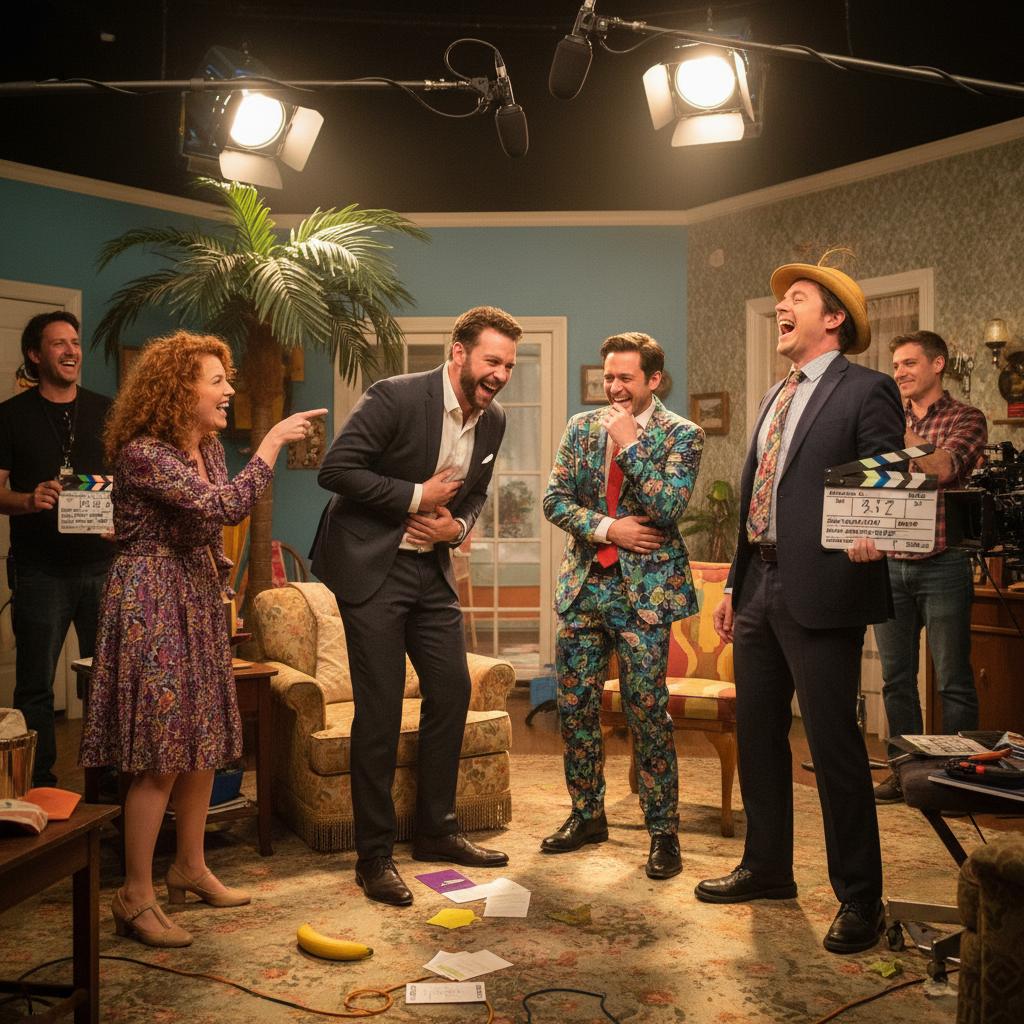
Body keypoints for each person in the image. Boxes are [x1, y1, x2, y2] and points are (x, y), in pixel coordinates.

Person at [79, 331, 325, 948]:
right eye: (217, 381)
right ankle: (134, 894)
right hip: (151, 601)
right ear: (178, 390)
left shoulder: (208, 447)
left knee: (201, 741)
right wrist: (271, 441)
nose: (229, 390)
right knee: (161, 753)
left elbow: (207, 523)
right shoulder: (145, 454)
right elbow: (224, 507)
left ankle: (189, 867)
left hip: (195, 597)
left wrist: (216, 576)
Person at [694, 262, 905, 955]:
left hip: (826, 588)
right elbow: (759, 493)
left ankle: (861, 899)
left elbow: (888, 481)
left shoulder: (867, 389)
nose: (781, 307)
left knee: (832, 745)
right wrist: (733, 586)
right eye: (781, 300)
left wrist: (878, 530)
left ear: (834, 318)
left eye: (797, 298)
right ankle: (767, 867)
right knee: (758, 734)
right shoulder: (774, 395)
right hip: (759, 584)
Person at [310, 305, 522, 907]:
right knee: (378, 709)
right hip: (372, 565)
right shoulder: (396, 396)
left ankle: (436, 831)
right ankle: (374, 857)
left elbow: (476, 494)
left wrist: (457, 527)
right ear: (458, 353)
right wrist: (415, 495)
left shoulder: (495, 419)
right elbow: (336, 470)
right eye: (491, 361)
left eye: (509, 365)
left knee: (451, 689)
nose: (500, 374)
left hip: (431, 569)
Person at [540, 332, 703, 880]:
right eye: (608, 377)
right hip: (584, 589)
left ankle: (663, 832)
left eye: (625, 378)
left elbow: (668, 506)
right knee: (576, 708)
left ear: (653, 380)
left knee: (647, 713)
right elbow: (555, 501)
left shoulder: (683, 434)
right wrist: (611, 528)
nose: (613, 387)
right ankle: (587, 815)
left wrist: (631, 444)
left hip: (644, 598)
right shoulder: (580, 427)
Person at [867, 331, 987, 804]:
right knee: (896, 680)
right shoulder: (883, 417)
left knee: (952, 678)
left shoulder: (966, 418)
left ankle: (961, 778)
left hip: (943, 563)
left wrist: (897, 431)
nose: (899, 372)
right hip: (889, 563)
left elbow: (944, 468)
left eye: (910, 363)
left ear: (938, 364)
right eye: (896, 365)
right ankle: (905, 774)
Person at [0, 311, 113, 787]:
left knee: (106, 681)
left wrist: (122, 521)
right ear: (35, 354)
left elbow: (130, 482)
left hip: (103, 567)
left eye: (75, 342)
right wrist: (28, 500)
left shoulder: (107, 410)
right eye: (58, 343)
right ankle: (40, 785)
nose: (71, 351)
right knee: (35, 686)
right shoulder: (10, 415)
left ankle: (106, 784)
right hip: (39, 570)